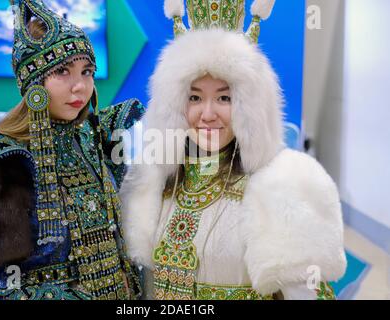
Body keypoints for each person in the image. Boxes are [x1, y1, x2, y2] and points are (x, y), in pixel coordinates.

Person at [120, 0, 346, 300]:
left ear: (249, 105)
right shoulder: (152, 181)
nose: (208, 114)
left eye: (224, 98)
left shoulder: (285, 183)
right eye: (195, 98)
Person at [0, 0, 144, 300]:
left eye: (87, 71)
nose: (80, 86)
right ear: (34, 82)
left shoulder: (98, 138)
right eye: (62, 71)